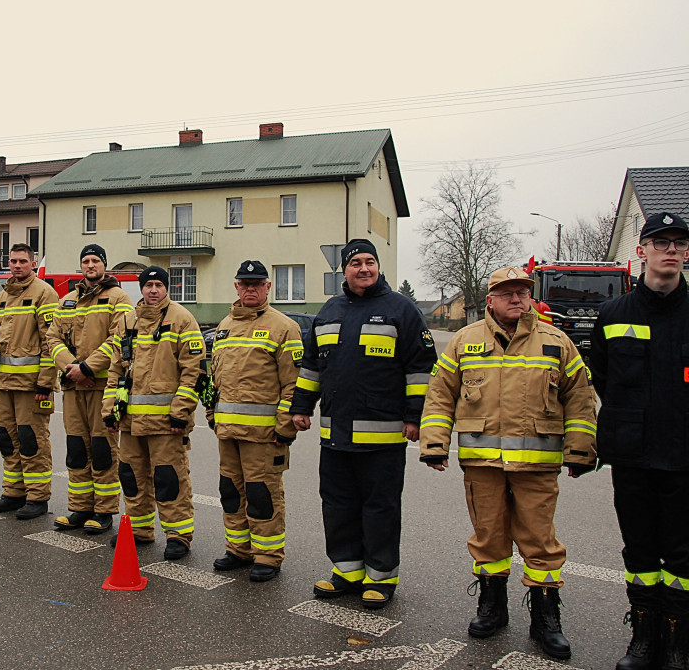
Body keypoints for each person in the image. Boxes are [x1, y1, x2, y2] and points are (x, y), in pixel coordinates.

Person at [419, 265, 597, 660]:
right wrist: (434, 443)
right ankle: (492, 607)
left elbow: (581, 400)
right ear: (490, 300)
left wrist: (581, 449)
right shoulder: (465, 341)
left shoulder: (556, 342)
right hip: (482, 465)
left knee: (540, 542)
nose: (516, 298)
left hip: (538, 467)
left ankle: (546, 617)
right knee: (489, 538)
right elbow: (440, 395)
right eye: (507, 292)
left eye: (522, 292)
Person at [290, 239, 436, 609]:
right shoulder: (329, 311)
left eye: (370, 261)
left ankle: (381, 576)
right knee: (337, 506)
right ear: (345, 269)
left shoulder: (401, 310)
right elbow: (311, 368)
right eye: (356, 262)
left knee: (380, 508)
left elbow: (420, 369)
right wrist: (301, 407)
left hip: (384, 438)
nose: (364, 268)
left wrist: (414, 418)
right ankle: (347, 571)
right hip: (335, 437)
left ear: (378, 267)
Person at [589, 212, 689, 670]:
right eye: (660, 242)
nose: (670, 250)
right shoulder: (611, 315)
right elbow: (604, 380)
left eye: (678, 244)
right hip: (633, 455)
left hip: (685, 458)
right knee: (641, 552)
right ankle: (644, 638)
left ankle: (678, 641)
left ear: (686, 254)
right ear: (641, 251)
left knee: (684, 556)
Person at [207, 260, 301, 582]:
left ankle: (268, 556)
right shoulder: (223, 327)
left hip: (264, 435)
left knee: (262, 495)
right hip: (227, 432)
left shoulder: (284, 327)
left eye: (257, 283)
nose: (250, 288)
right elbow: (212, 381)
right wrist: (210, 413)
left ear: (268, 287)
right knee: (231, 492)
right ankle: (238, 550)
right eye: (244, 283)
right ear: (236, 287)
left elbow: (294, 384)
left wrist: (285, 428)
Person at [102, 266, 204, 559]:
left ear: (166, 288)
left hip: (166, 423)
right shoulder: (127, 321)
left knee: (169, 479)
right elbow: (116, 370)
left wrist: (181, 412)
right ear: (141, 288)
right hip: (130, 422)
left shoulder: (182, 319)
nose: (153, 290)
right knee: (132, 476)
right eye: (148, 285)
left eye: (159, 285)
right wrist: (110, 410)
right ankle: (139, 530)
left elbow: (193, 371)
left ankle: (178, 535)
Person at [46, 244, 134, 534]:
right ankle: (79, 507)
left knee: (102, 450)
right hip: (73, 387)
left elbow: (118, 339)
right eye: (85, 260)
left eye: (95, 260)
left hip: (101, 387)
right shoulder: (67, 300)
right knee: (76, 450)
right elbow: (52, 337)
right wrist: (71, 366)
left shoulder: (118, 298)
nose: (90, 265)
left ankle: (104, 510)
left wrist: (86, 368)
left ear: (104, 265)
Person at [0, 244, 59, 519]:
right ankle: (14, 492)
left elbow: (51, 342)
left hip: (30, 385)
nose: (16, 265)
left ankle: (37, 497)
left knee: (32, 440)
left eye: (22, 261)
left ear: (32, 263)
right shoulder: (3, 295)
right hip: (5, 383)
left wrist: (45, 383)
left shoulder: (44, 293)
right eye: (13, 261)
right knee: (8, 438)